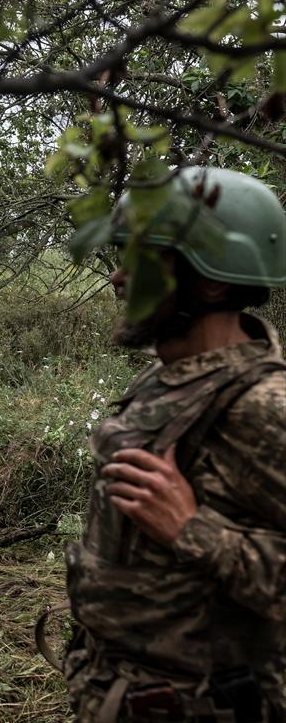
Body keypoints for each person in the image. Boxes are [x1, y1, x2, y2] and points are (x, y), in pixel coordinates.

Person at [62, 167, 286, 723]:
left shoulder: (264, 407)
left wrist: (193, 531)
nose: (117, 278)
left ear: (208, 282)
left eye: (140, 259)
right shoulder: (172, 378)